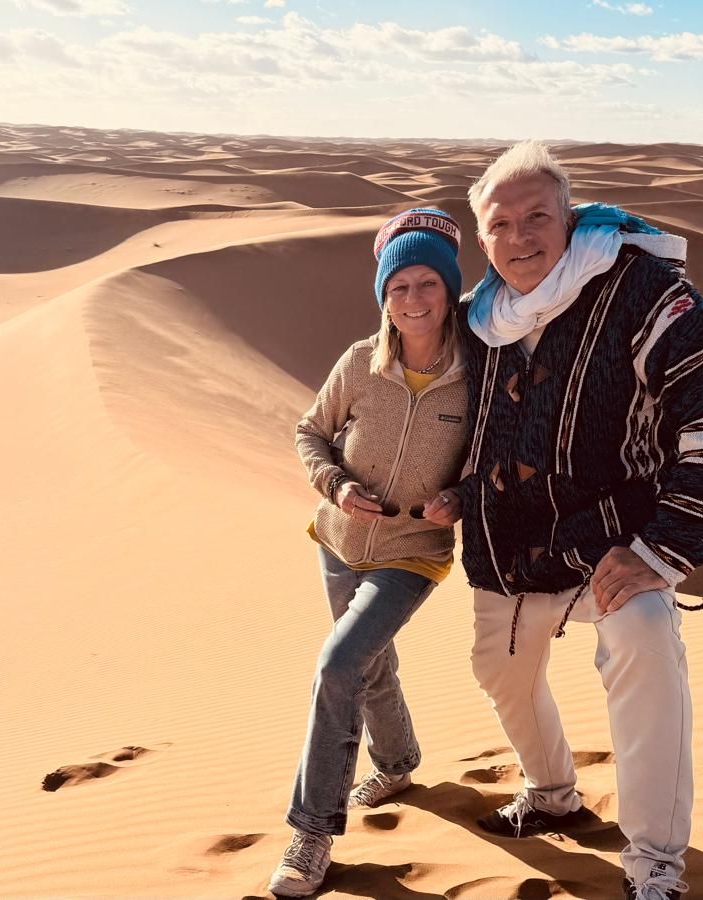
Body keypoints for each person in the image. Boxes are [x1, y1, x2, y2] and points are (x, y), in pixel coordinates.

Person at [455, 141, 703, 900]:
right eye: (502, 225)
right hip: (511, 545)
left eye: (538, 218)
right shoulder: (479, 317)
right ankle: (554, 793)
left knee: (646, 643)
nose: (521, 239)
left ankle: (655, 864)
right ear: (482, 238)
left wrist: (663, 550)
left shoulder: (646, 292)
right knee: (500, 670)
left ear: (570, 218)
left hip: (620, 539)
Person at [267, 208, 472, 898]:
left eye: (427, 286)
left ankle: (311, 832)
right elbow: (310, 431)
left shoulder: (477, 375)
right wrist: (335, 483)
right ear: (384, 296)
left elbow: (498, 461)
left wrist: (463, 497)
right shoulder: (361, 361)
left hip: (413, 553)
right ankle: (398, 759)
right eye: (399, 288)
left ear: (449, 291)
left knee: (339, 663)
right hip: (338, 540)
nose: (413, 301)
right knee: (369, 664)